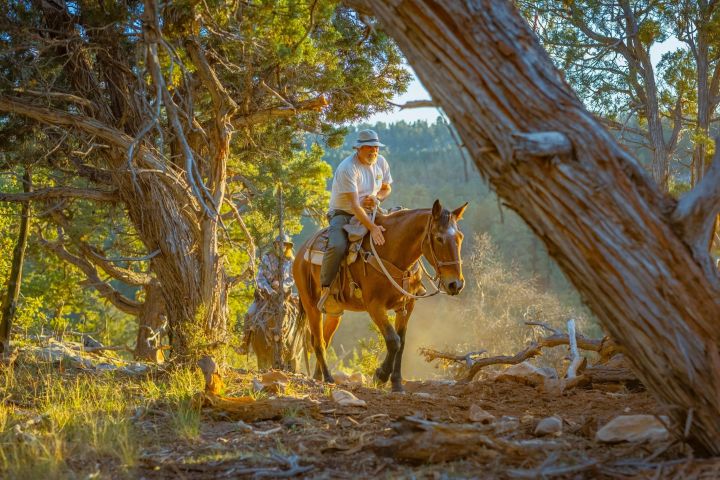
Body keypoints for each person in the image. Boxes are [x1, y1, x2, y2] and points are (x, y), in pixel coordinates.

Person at [318, 129, 393, 312]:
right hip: (343, 214)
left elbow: (386, 188)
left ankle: (407, 282)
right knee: (337, 245)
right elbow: (353, 206)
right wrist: (373, 228)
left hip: (371, 209)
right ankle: (326, 289)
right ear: (358, 148)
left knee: (396, 230)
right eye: (369, 147)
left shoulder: (380, 162)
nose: (374, 151)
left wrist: (378, 198)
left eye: (376, 147)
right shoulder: (347, 168)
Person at [242, 234, 296, 352]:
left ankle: (306, 341)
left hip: (284, 295)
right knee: (249, 313)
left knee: (302, 311)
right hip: (266, 295)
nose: (281, 246)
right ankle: (244, 344)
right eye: (278, 244)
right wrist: (269, 289)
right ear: (275, 245)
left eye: (284, 244)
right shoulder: (267, 258)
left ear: (287, 246)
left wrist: (281, 285)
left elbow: (292, 279)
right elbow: (260, 277)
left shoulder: (291, 260)